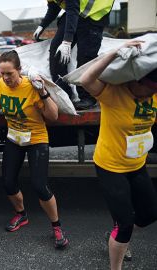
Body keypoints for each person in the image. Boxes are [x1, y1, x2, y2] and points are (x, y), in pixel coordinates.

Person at [79, 40, 157, 270]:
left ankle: (121, 238)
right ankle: (117, 259)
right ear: (137, 80)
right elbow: (85, 80)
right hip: (111, 166)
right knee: (124, 224)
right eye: (149, 89)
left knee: (149, 215)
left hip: (137, 165)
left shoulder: (153, 96)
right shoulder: (114, 93)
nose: (151, 94)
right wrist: (114, 52)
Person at [0, 50, 69, 249]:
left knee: (39, 186)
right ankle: (21, 214)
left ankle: (56, 226)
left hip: (36, 139)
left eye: (10, 73)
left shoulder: (31, 86)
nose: (6, 78)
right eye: (2, 73)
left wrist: (43, 92)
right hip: (14, 138)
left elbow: (53, 117)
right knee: (8, 183)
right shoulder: (0, 83)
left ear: (19, 70)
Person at [33, 0, 114, 110]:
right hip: (76, 11)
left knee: (85, 57)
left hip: (94, 14)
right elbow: (54, 7)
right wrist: (42, 25)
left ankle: (88, 97)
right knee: (57, 51)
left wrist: (67, 41)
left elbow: (73, 8)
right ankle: (64, 93)